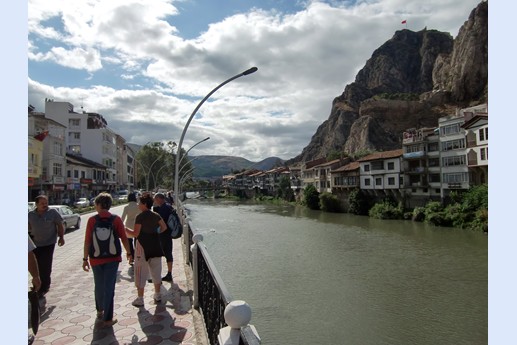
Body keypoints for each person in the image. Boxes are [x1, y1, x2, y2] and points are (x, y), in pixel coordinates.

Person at [82, 192, 132, 328]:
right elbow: (124, 238)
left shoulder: (92, 220)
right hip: (113, 258)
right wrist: (129, 253)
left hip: (95, 258)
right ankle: (108, 318)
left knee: (98, 285)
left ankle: (100, 311)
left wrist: (85, 258)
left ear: (98, 204)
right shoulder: (116, 220)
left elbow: (87, 241)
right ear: (109, 205)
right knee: (109, 286)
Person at [125, 192, 167, 307]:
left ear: (144, 204)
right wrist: (156, 232)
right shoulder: (156, 215)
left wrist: (125, 230)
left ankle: (140, 298)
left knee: (140, 272)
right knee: (156, 271)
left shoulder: (140, 217)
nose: (138, 204)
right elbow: (164, 227)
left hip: (142, 246)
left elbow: (135, 233)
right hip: (155, 245)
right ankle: (157, 295)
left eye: (139, 202)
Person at [28, 194, 65, 298]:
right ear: (36, 204)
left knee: (45, 265)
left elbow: (59, 224)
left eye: (46, 203)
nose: (45, 205)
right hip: (35, 244)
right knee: (36, 266)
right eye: (42, 203)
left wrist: (61, 237)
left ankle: (44, 286)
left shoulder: (52, 212)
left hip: (48, 244)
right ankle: (36, 284)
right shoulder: (30, 215)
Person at [152, 192, 175, 282]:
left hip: (163, 234)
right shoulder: (168, 206)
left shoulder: (163, 209)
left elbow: (160, 222)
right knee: (168, 253)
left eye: (155, 199)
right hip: (168, 234)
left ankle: (158, 276)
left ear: (160, 199)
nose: (155, 201)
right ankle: (169, 273)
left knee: (159, 254)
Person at [120, 192, 140, 265]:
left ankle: (131, 258)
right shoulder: (138, 206)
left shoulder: (126, 207)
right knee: (137, 242)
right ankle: (137, 256)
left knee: (129, 242)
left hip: (128, 225)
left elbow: (122, 218)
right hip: (137, 225)